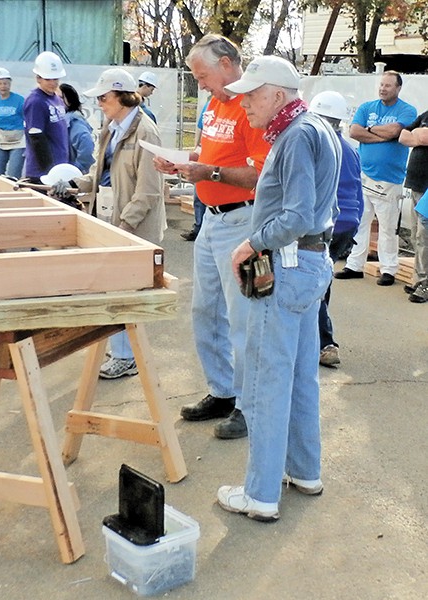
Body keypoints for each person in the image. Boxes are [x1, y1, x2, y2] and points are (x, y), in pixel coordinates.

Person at [216, 55, 341, 521]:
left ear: (277, 94)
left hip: (289, 266)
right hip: (309, 266)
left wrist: (251, 243)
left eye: (252, 93)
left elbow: (298, 215)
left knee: (269, 380)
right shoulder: (313, 128)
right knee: (299, 374)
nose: (244, 101)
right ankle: (304, 470)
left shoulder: (296, 135)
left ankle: (261, 494)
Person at [154, 34, 270, 439]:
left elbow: (259, 175)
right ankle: (223, 391)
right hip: (212, 221)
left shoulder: (252, 106)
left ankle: (250, 406)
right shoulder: (214, 104)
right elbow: (208, 154)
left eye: (202, 75)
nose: (199, 84)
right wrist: (182, 163)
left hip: (242, 221)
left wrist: (208, 173)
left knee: (244, 319)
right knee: (206, 312)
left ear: (226, 64)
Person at [52, 68, 166, 379]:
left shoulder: (146, 132)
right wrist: (74, 183)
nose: (100, 103)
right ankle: (121, 354)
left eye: (104, 97)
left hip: (131, 226)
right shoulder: (110, 126)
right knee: (110, 292)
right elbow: (97, 171)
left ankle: (126, 357)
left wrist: (122, 228)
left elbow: (148, 191)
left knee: (123, 295)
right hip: (108, 217)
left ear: (122, 97)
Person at [334, 71, 417, 286]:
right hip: (363, 174)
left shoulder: (407, 110)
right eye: (381, 84)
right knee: (360, 222)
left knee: (388, 227)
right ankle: (354, 265)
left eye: (388, 86)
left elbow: (396, 131)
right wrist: (380, 135)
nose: (383, 89)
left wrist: (369, 131)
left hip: (389, 179)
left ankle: (388, 269)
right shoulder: (366, 107)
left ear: (398, 88)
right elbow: (354, 132)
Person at [308, 91, 363, 366]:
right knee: (322, 282)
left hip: (325, 223)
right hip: (347, 223)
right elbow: (358, 192)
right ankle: (320, 340)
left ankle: (324, 343)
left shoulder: (317, 146)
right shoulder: (350, 149)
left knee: (312, 284)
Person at [24, 51, 69, 183]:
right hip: (42, 173)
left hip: (60, 168)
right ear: (38, 78)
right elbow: (36, 138)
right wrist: (50, 174)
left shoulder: (57, 99)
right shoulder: (35, 101)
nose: (52, 82)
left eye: (55, 78)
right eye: (48, 78)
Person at [398, 114, 428, 303]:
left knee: (425, 235)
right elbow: (402, 136)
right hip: (416, 184)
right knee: (416, 234)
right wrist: (418, 135)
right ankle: (420, 278)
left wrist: (417, 136)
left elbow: (422, 137)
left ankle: (425, 283)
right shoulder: (425, 114)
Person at [180, 98, 210, 241]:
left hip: (211, 163)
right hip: (202, 155)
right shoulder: (210, 105)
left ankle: (203, 229)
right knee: (198, 197)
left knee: (207, 198)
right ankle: (198, 228)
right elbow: (201, 129)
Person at [0, 67, 25, 178]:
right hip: (0, 140)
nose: (3, 86)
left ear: (10, 84)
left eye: (5, 83)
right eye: (0, 83)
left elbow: (27, 120)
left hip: (18, 141)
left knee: (13, 175)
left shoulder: (20, 100)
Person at [59, 83, 95, 174]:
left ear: (70, 100)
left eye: (60, 98)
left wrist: (73, 173)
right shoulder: (59, 121)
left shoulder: (74, 122)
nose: (55, 101)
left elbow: (87, 149)